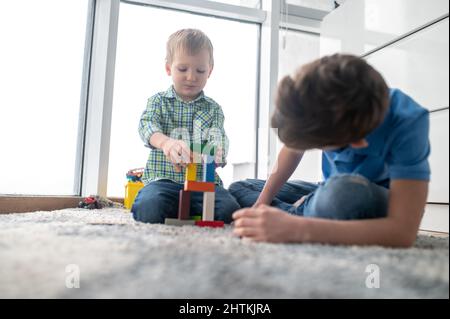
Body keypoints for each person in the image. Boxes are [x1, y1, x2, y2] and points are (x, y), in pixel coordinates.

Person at [229, 54, 430, 247]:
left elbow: (402, 232)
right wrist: (262, 203)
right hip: (326, 188)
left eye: (316, 146)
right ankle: (304, 208)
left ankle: (299, 212)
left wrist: (295, 229)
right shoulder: (324, 96)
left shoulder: (407, 121)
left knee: (344, 193)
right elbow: (293, 148)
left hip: (365, 196)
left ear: (357, 142)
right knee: (240, 189)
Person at [132, 29, 240, 224]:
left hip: (203, 185)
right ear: (168, 68)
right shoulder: (158, 102)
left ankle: (185, 209)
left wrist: (219, 152)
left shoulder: (213, 109)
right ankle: (174, 208)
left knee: (229, 210)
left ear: (210, 71)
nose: (191, 77)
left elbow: (219, 137)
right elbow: (147, 125)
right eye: (183, 69)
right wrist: (165, 143)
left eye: (200, 71)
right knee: (148, 208)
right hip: (163, 182)